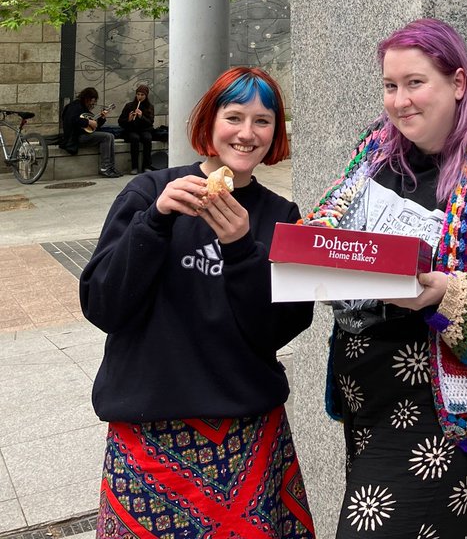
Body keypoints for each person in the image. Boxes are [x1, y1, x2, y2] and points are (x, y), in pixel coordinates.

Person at [304, 18, 467, 539]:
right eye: (390, 86)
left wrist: (449, 293)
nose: (400, 101)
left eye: (416, 83)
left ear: (458, 84)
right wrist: (313, 242)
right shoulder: (376, 147)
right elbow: (333, 213)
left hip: (441, 409)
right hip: (367, 391)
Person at [79, 67, 315, 538]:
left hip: (246, 431)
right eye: (234, 117)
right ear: (209, 123)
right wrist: (156, 221)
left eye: (263, 120)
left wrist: (242, 251)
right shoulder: (148, 193)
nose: (247, 133)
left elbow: (277, 331)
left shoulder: (280, 217)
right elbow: (102, 305)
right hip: (149, 427)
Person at [60, 87, 119, 178]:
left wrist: (102, 118)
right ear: (86, 98)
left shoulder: (84, 109)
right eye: (92, 101)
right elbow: (72, 120)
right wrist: (88, 122)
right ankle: (105, 168)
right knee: (106, 137)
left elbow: (94, 127)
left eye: (94, 101)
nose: (92, 104)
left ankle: (111, 166)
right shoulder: (74, 106)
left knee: (110, 136)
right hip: (75, 137)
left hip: (83, 135)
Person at [117, 83, 156, 172]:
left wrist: (141, 117)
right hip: (131, 130)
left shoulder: (150, 107)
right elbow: (120, 122)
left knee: (147, 138)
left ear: (146, 96)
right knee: (135, 138)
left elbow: (150, 122)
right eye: (138, 94)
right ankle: (134, 167)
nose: (140, 96)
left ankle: (146, 166)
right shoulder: (129, 106)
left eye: (142, 95)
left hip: (144, 130)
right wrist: (129, 119)